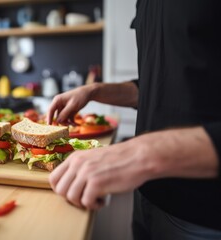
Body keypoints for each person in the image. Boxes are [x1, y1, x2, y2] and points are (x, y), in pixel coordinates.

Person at [47, 1, 221, 239]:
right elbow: (160, 86)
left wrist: (142, 153)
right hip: (147, 195)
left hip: (201, 214)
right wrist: (94, 90)